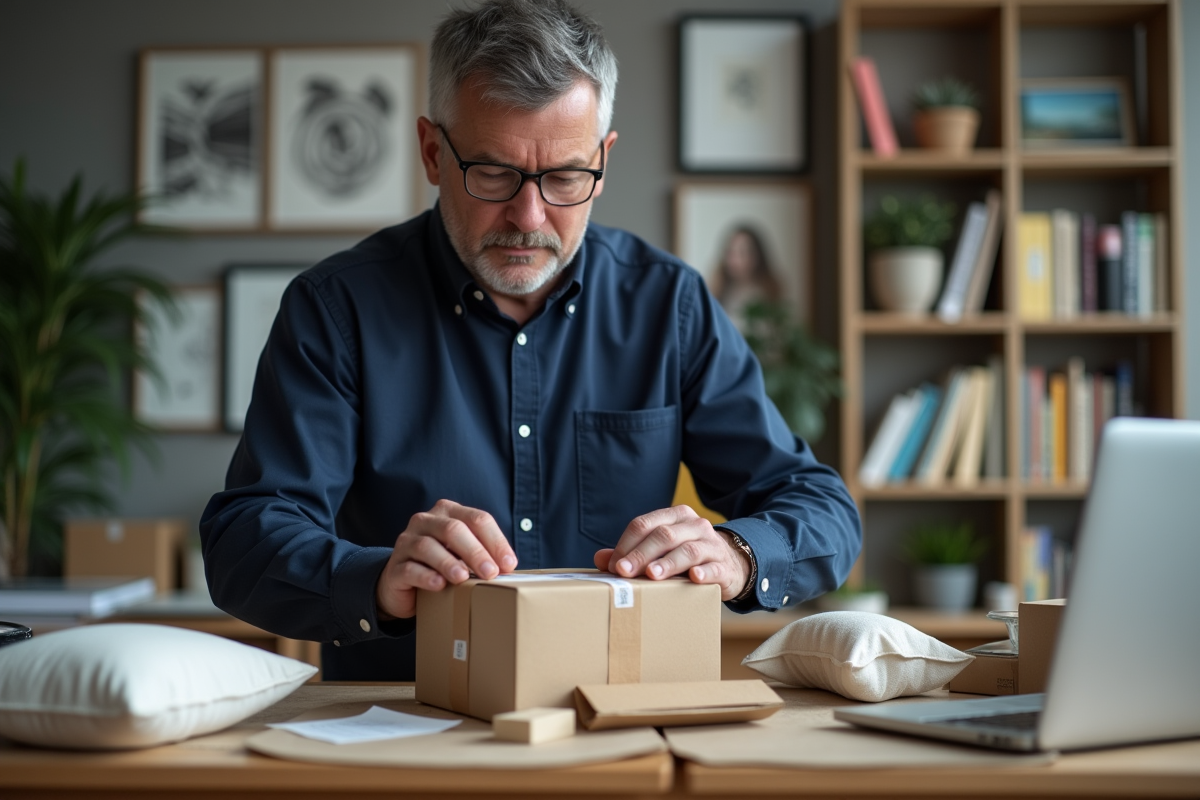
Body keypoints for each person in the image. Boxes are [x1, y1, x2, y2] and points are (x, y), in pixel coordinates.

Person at [200, 0, 861, 681]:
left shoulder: (670, 304)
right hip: (403, 722)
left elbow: (822, 508)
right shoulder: (336, 310)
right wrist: (374, 580)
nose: (528, 216)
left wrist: (741, 554)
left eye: (566, 177)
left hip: (618, 721)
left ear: (603, 160)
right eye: (493, 173)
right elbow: (242, 541)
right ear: (433, 152)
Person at [707, 225, 783, 330]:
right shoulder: (718, 291)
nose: (734, 259)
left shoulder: (769, 294)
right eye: (731, 252)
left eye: (742, 253)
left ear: (757, 256)